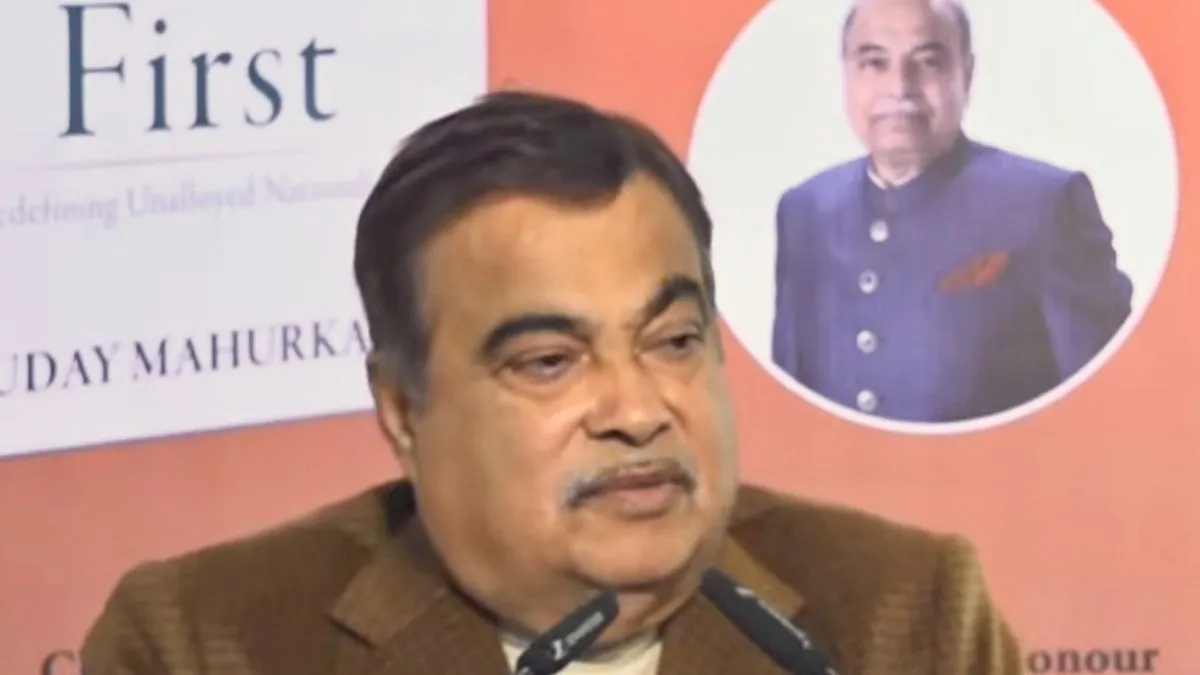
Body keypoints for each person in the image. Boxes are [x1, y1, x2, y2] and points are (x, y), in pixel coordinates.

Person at [81, 90, 1022, 674]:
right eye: (549, 361)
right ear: (403, 410)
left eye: (674, 340)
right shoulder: (203, 642)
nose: (639, 411)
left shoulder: (909, 616)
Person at [772, 0, 1133, 424]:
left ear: (967, 74)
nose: (899, 88)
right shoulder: (805, 211)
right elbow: (789, 412)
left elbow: (1110, 408)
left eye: (927, 62)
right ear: (846, 75)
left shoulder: (1044, 204)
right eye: (874, 63)